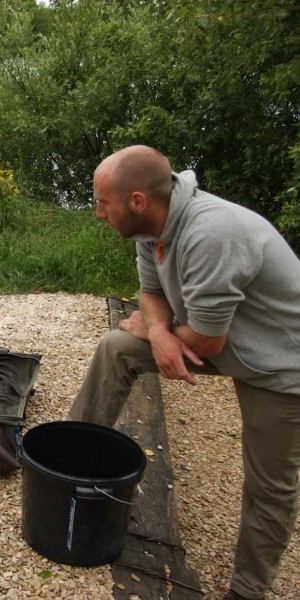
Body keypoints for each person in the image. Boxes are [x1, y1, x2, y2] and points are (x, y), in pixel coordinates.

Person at [68, 145, 300, 600]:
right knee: (119, 345)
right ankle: (69, 456)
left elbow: (208, 341)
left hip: (281, 364)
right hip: (211, 335)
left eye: (103, 202)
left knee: (269, 485)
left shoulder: (212, 233)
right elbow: (150, 293)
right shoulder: (150, 226)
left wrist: (158, 329)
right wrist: (157, 331)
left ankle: (248, 590)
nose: (98, 213)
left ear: (136, 200)